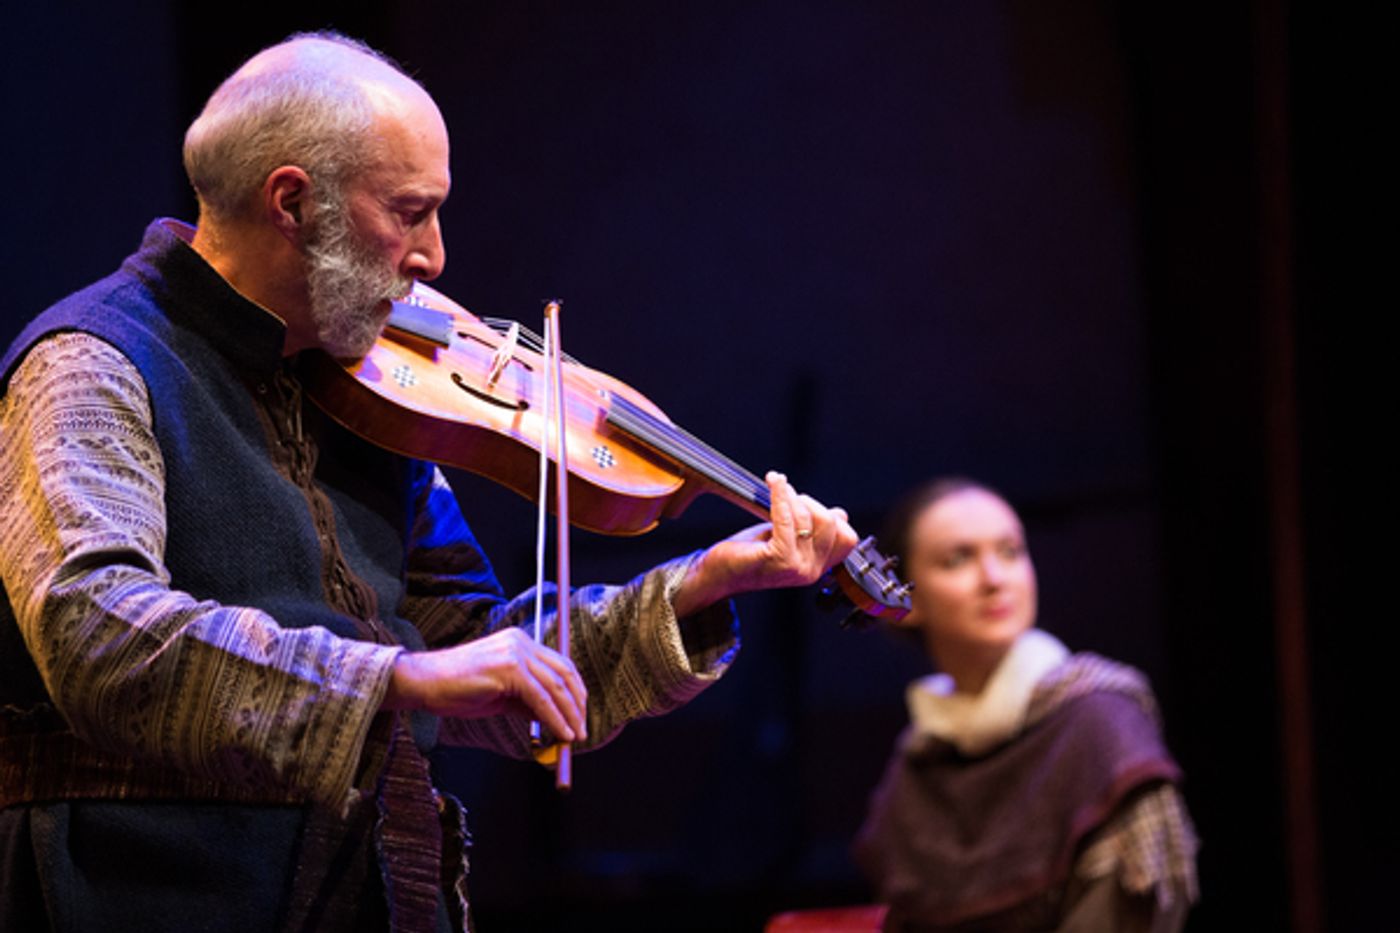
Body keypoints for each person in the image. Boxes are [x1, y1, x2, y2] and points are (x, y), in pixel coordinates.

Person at [0, 33, 857, 932]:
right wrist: (400, 681)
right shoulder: (94, 364)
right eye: (410, 211)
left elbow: (480, 657)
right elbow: (97, 633)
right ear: (292, 201)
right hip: (148, 891)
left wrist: (700, 584)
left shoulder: (365, 386)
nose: (435, 257)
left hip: (364, 891)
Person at [852, 478, 1197, 932]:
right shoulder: (916, 763)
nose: (995, 579)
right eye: (958, 559)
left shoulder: (1100, 719)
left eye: (1011, 552)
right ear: (905, 597)